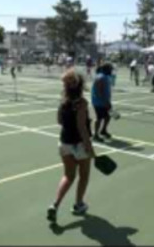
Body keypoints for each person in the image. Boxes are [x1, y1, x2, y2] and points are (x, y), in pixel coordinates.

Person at [47, 68, 95, 223]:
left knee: (68, 175)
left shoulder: (63, 101)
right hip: (79, 144)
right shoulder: (82, 103)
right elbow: (82, 127)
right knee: (84, 175)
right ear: (80, 85)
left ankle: (55, 205)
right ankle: (78, 204)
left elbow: (59, 121)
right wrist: (89, 147)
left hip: (64, 143)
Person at [91, 63, 113, 142]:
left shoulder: (105, 77)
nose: (111, 71)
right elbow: (99, 91)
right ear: (106, 69)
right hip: (99, 102)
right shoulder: (101, 77)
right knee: (99, 118)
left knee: (108, 116)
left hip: (104, 101)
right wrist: (105, 102)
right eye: (110, 69)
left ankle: (103, 130)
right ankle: (95, 135)